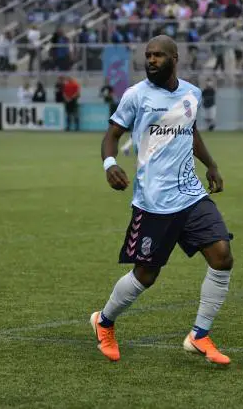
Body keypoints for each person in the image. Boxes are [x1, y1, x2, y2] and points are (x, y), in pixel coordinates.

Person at [91, 35, 234, 365]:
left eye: (158, 55)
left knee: (222, 257)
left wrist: (210, 165)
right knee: (146, 275)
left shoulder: (191, 93)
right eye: (148, 55)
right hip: (154, 202)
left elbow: (192, 130)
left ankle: (199, 336)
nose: (151, 60)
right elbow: (112, 136)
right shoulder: (136, 95)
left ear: (174, 58)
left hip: (191, 194)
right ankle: (105, 321)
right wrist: (110, 164)